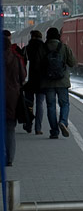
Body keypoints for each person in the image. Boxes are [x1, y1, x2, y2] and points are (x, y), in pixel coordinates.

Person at [39, 27, 76, 139]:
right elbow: (72, 63)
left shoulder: (42, 48)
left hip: (48, 82)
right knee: (64, 104)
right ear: (58, 36)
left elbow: (37, 65)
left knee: (51, 106)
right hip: (62, 81)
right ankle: (63, 122)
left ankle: (54, 132)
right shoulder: (64, 47)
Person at [4, 30, 27, 166]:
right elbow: (23, 77)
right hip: (13, 97)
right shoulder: (16, 58)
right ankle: (9, 159)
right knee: (10, 129)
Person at [21, 30, 46, 135]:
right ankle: (38, 128)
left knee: (28, 104)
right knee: (40, 104)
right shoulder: (45, 48)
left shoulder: (26, 49)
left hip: (29, 82)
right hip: (41, 81)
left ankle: (28, 124)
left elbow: (21, 65)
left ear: (32, 37)